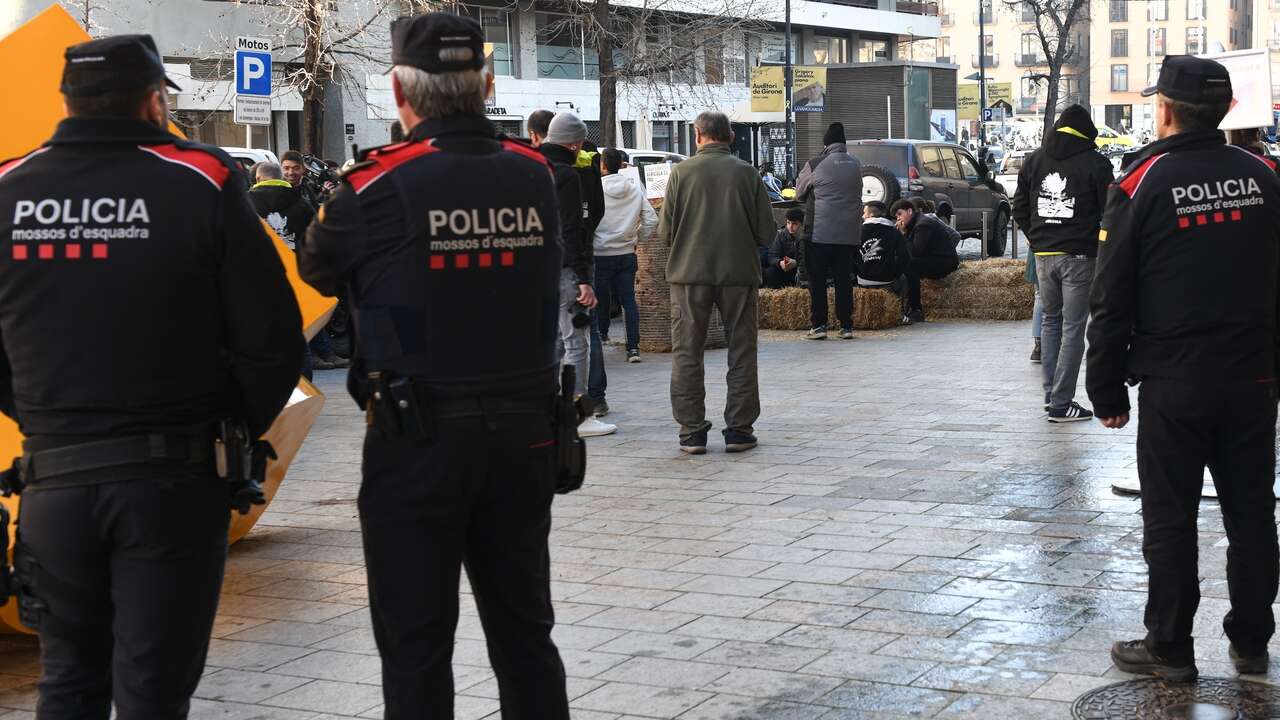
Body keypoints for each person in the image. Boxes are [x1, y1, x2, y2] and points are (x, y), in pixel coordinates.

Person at [0, 34, 303, 718]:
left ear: (69, 100)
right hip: (173, 483)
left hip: (54, 482)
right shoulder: (200, 176)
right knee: (154, 692)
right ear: (154, 99)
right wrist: (229, 430)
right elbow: (272, 337)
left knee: (68, 683)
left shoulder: (9, 186)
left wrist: (42, 417)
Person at [298, 13, 572, 718]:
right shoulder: (536, 174)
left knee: (416, 645)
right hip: (524, 434)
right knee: (526, 634)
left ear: (398, 91)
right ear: (485, 83)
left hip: (415, 441)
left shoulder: (374, 186)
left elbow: (317, 266)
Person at [1087, 55, 1280, 683]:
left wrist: (1105, 386)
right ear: (1227, 111)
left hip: (1175, 381)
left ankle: (1170, 647)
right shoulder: (1266, 175)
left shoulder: (1143, 183)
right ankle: (1251, 641)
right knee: (1250, 511)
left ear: (1164, 110)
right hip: (1253, 377)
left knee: (1169, 516)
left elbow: (1110, 295)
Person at [658, 111, 774, 454]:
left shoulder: (680, 173)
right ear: (731, 137)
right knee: (741, 351)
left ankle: (691, 431)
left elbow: (665, 233)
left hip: (688, 275)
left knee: (687, 353)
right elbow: (767, 232)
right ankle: (739, 429)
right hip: (738, 274)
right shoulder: (747, 174)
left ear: (697, 136)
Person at [1013, 104, 1112, 422]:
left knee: (1051, 323)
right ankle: (1060, 403)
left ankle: (1051, 397)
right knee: (1073, 327)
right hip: (1080, 256)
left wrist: (1037, 238)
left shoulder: (1034, 159)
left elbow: (1019, 207)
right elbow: (1111, 211)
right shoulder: (1096, 163)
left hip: (1043, 256)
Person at [528, 111, 616, 437]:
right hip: (566, 269)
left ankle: (547, 409)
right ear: (576, 144)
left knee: (551, 341)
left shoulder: (529, 168)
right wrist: (583, 278)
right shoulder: (565, 175)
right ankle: (580, 414)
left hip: (536, 271)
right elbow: (571, 228)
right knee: (576, 341)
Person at [795, 122, 862, 340]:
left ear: (825, 144)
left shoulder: (815, 163)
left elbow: (799, 193)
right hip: (848, 233)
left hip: (819, 232)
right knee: (844, 280)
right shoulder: (856, 164)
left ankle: (820, 325)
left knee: (817, 279)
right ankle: (846, 326)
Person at [594, 147, 655, 362]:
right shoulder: (634, 189)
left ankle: (601, 335)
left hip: (600, 252)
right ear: (621, 165)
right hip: (626, 252)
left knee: (600, 298)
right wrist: (636, 238)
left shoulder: (595, 189)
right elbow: (652, 219)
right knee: (628, 300)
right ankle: (633, 348)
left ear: (602, 165)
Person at [892, 198, 959, 322]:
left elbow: (915, 252)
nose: (898, 219)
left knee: (910, 266)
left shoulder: (923, 224)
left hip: (945, 261)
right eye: (896, 216)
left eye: (900, 214)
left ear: (910, 211)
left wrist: (903, 234)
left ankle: (916, 310)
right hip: (933, 258)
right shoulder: (915, 223)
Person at [855, 200, 912, 318]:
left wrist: (858, 272)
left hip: (863, 280)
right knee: (905, 279)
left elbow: (850, 257)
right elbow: (904, 257)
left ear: (871, 215)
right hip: (887, 280)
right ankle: (901, 313)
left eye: (864, 213)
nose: (862, 216)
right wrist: (894, 273)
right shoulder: (894, 232)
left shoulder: (858, 231)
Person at [249, 161, 313, 250]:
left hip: (258, 260)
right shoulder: (302, 202)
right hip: (294, 260)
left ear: (258, 178)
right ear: (281, 178)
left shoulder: (244, 202)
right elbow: (316, 235)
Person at [764, 208, 803, 289]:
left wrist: (796, 263)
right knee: (770, 272)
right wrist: (780, 263)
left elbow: (810, 258)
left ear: (801, 224)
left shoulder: (806, 237)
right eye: (788, 223)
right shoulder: (780, 235)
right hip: (784, 270)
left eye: (795, 224)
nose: (790, 227)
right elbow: (772, 256)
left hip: (800, 271)